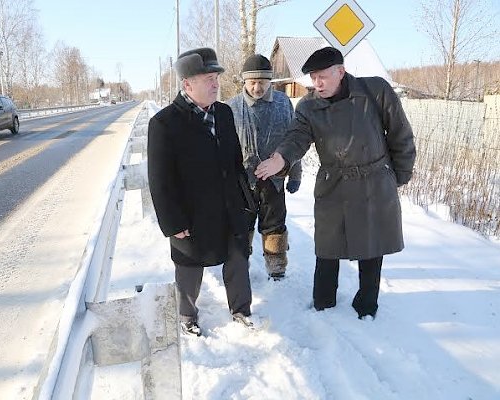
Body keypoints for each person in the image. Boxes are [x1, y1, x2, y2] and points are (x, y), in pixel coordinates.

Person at [255, 47, 416, 319]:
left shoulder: (375, 91)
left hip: (374, 182)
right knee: (327, 246)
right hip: (334, 183)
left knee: (371, 245)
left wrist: (399, 175)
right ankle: (323, 303)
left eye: (322, 77)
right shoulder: (308, 106)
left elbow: (401, 134)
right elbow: (297, 138)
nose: (317, 83)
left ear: (340, 72)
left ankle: (366, 306)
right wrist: (280, 159)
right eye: (313, 78)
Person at [147, 47, 257, 336]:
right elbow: (160, 180)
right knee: (188, 266)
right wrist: (173, 223)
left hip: (230, 205)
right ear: (187, 84)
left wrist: (246, 199)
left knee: (237, 258)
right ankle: (186, 314)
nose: (215, 84)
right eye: (208, 78)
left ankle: (241, 309)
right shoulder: (164, 123)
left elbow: (235, 161)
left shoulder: (223, 113)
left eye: (216, 78)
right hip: (191, 215)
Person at [227, 54, 302, 280]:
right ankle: (240, 267)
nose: (257, 87)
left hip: (275, 180)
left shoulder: (283, 103)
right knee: (242, 227)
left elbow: (294, 141)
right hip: (242, 182)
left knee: (274, 226)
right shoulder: (231, 108)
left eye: (262, 82)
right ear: (244, 82)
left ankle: (277, 269)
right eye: (252, 82)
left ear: (271, 81)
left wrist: (295, 174)